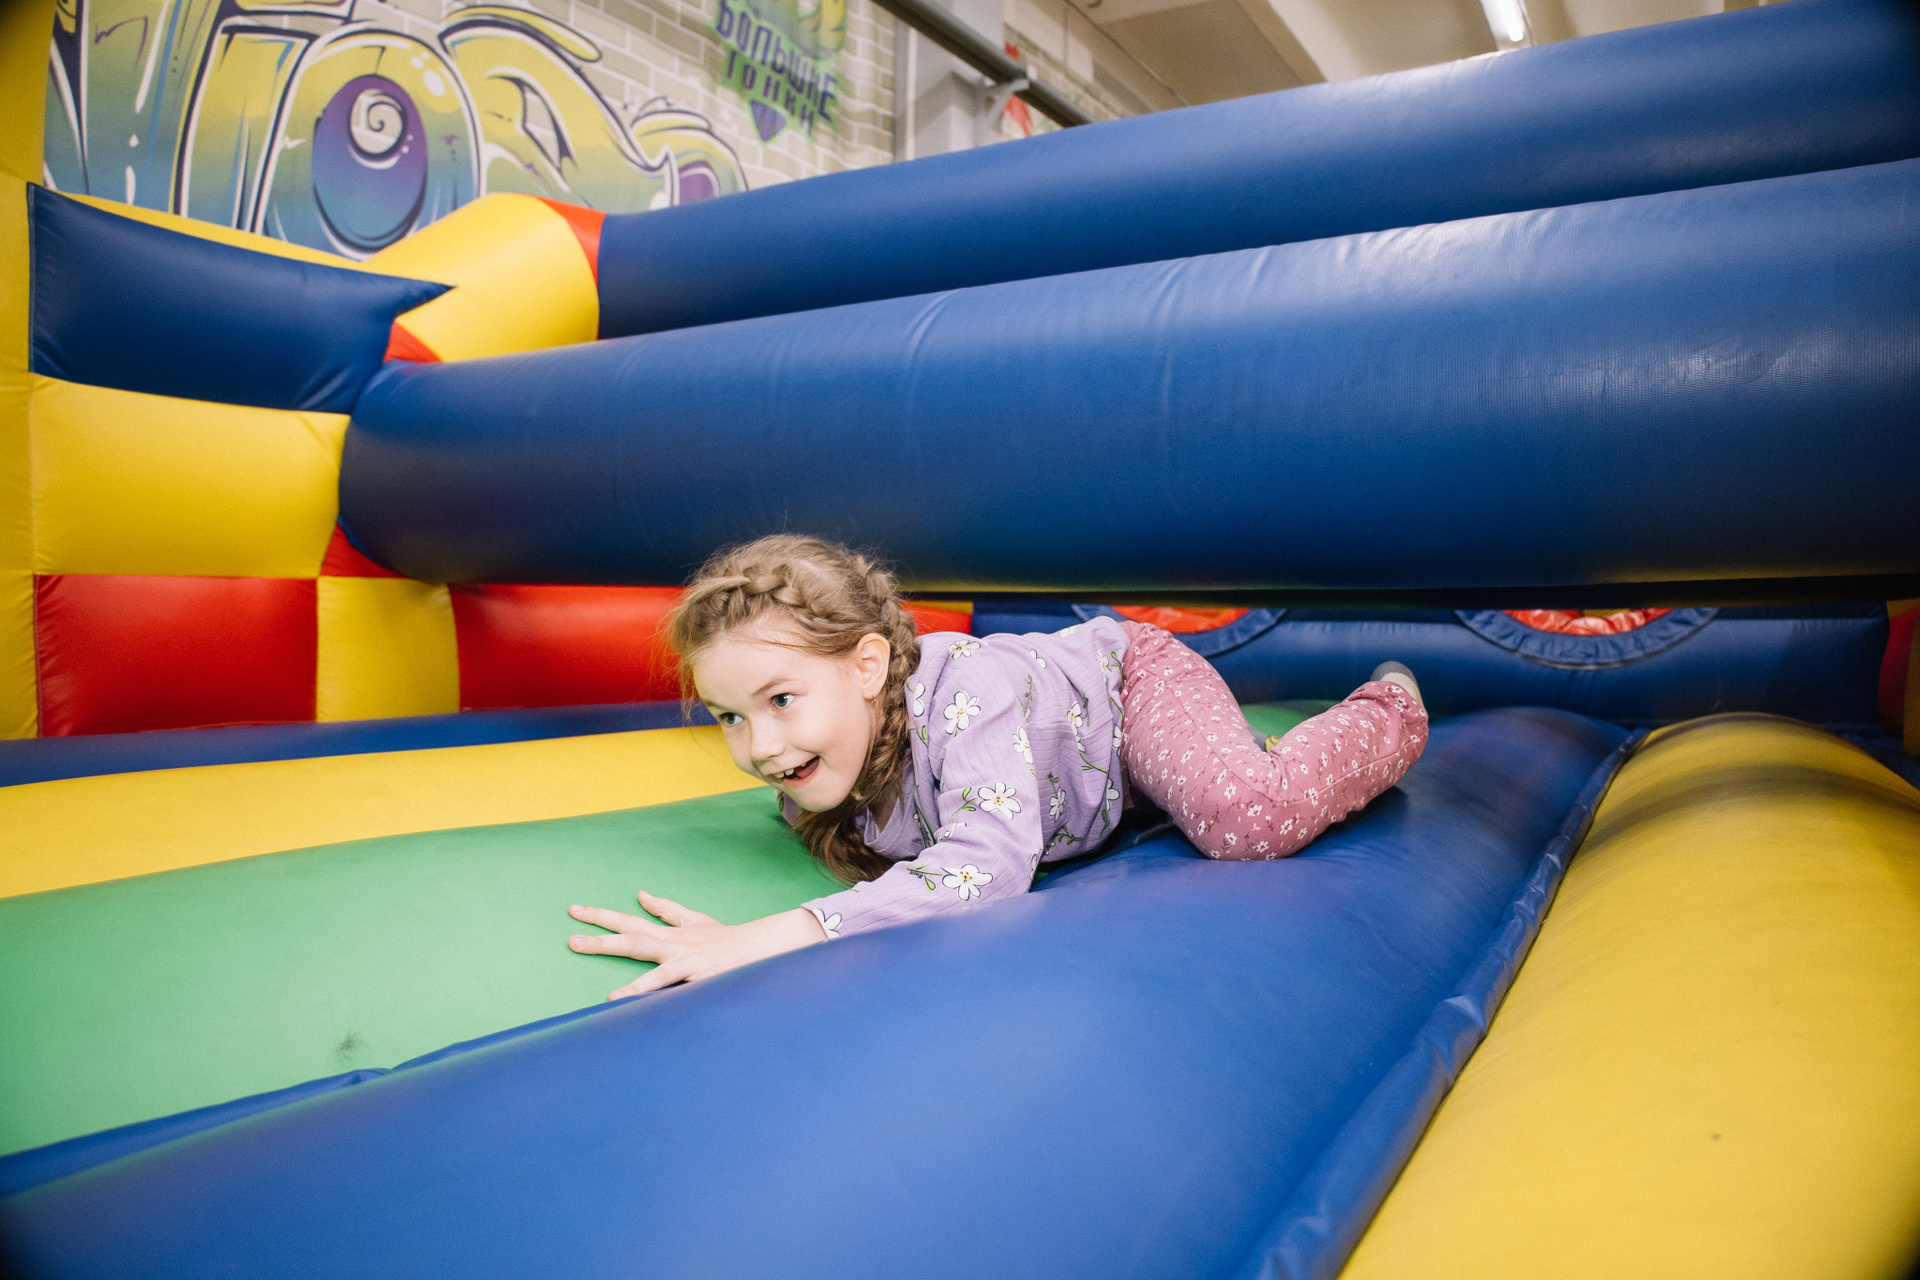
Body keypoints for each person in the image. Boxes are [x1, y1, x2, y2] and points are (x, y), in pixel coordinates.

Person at [567, 535, 1428, 999]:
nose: (759, 747)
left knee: (1241, 817)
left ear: (867, 666)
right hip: (1090, 782)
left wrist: (772, 933)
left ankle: (1387, 708)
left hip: (1132, 691)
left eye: (781, 700)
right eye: (730, 716)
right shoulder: (817, 776)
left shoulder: (964, 693)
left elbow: (989, 863)